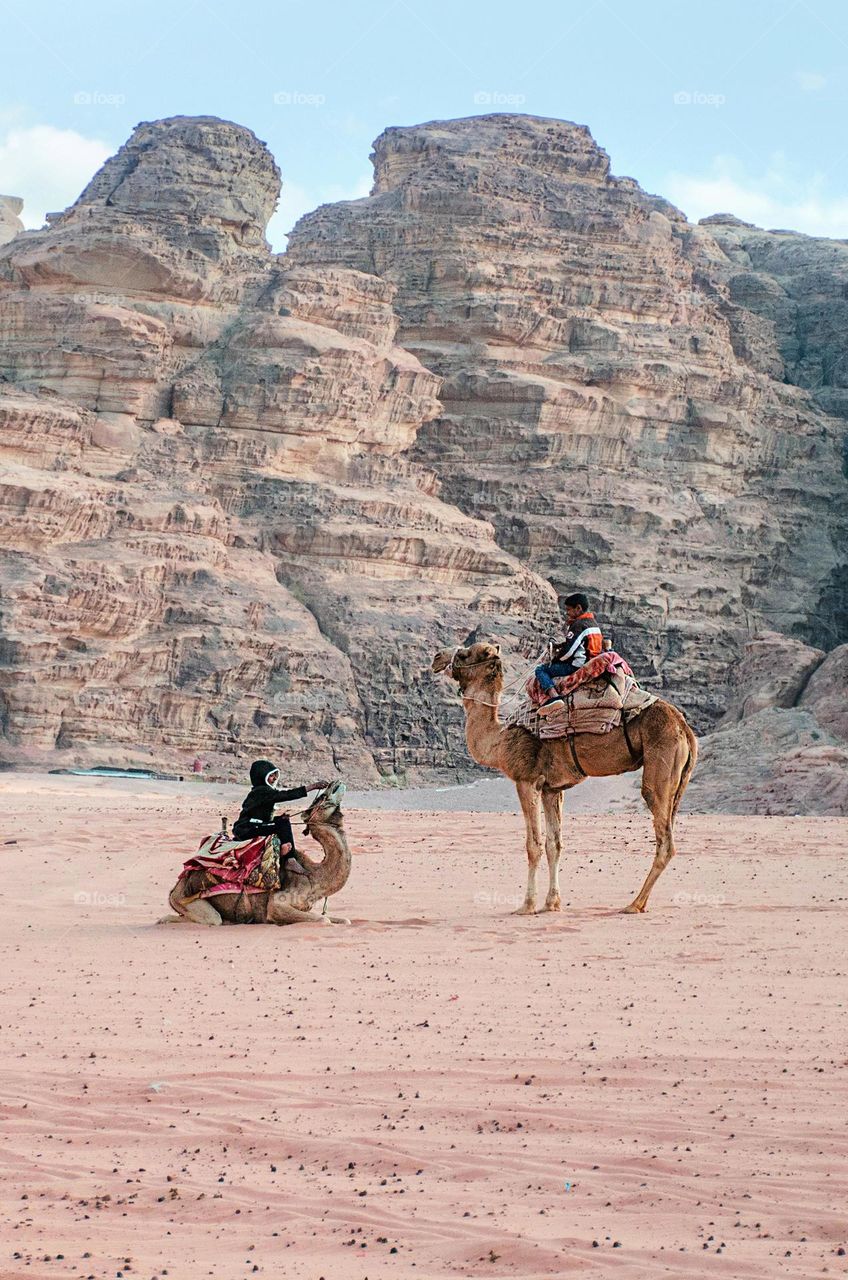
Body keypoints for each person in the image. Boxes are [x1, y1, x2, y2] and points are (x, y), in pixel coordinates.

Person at [231, 760, 329, 864]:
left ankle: (285, 855)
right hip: (248, 829)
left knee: (282, 821)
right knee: (283, 824)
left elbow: (260, 815)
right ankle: (289, 859)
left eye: (274, 775)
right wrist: (313, 787)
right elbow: (286, 795)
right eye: (271, 776)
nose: (274, 778)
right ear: (262, 777)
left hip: (254, 826)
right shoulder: (261, 791)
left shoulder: (261, 791)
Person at [535, 593, 604, 717]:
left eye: (569, 610)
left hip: (578, 665)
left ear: (578, 608)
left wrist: (555, 660)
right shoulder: (593, 623)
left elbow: (569, 651)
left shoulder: (579, 625)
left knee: (541, 670)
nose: (567, 613)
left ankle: (554, 697)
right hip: (591, 662)